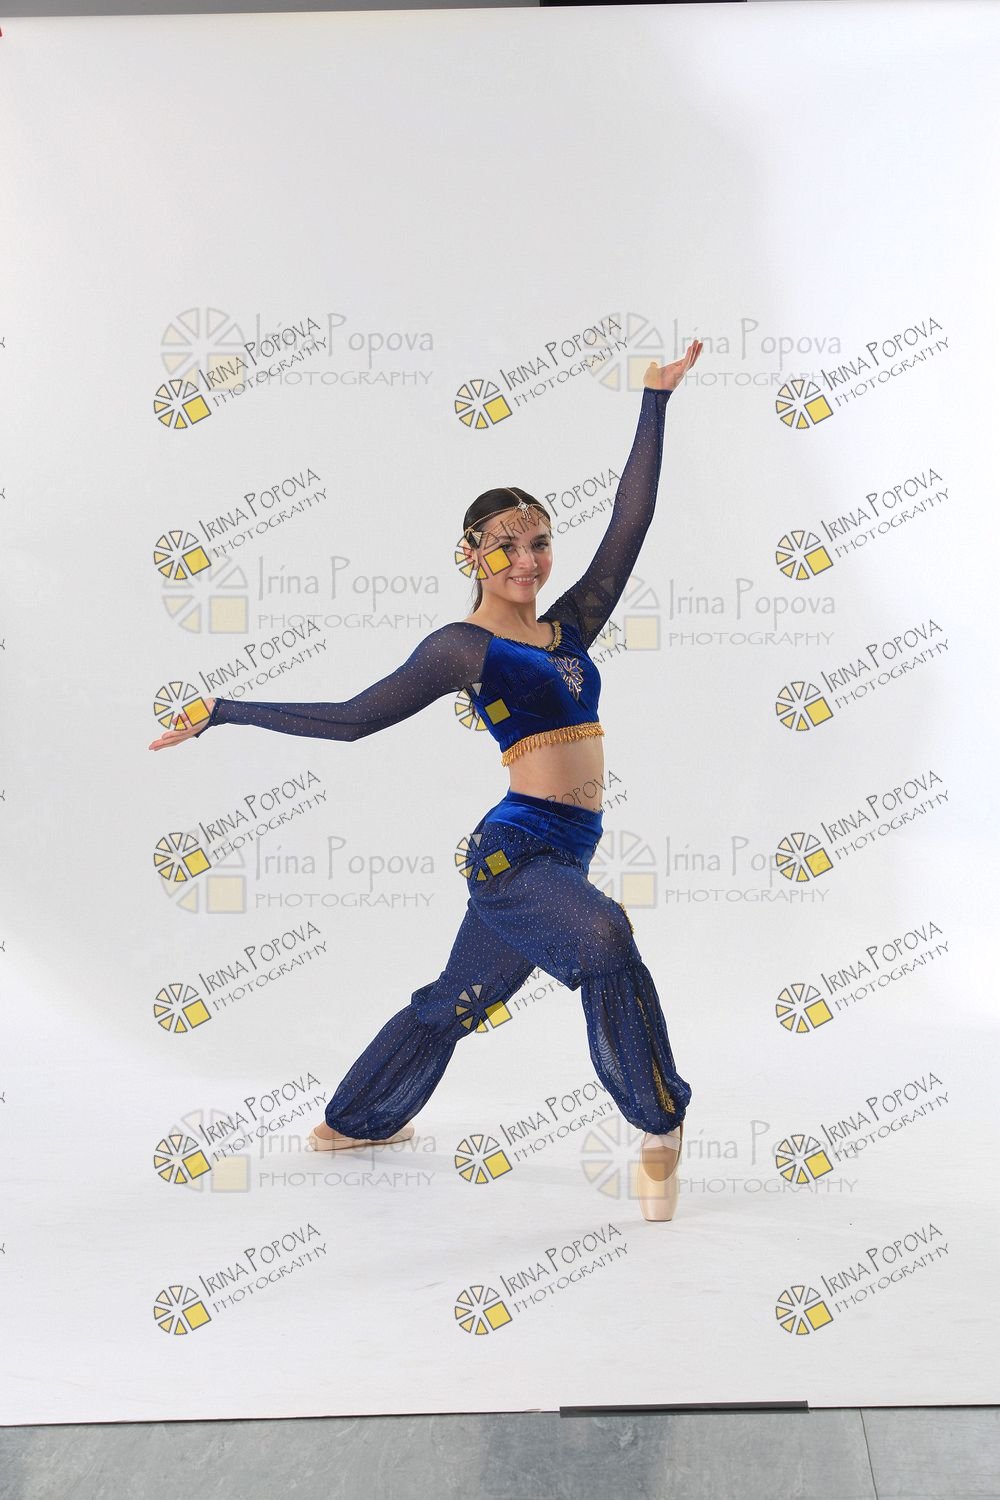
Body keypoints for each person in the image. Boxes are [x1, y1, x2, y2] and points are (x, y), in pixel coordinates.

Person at [149, 340, 703, 1222]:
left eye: (540, 543)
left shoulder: (568, 632)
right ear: (471, 554)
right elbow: (352, 718)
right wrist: (225, 709)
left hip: (567, 852)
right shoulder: (463, 648)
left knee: (457, 1000)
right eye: (506, 546)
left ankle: (353, 1120)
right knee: (604, 936)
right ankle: (660, 1124)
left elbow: (629, 524)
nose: (527, 560)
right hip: (514, 854)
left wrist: (653, 399)